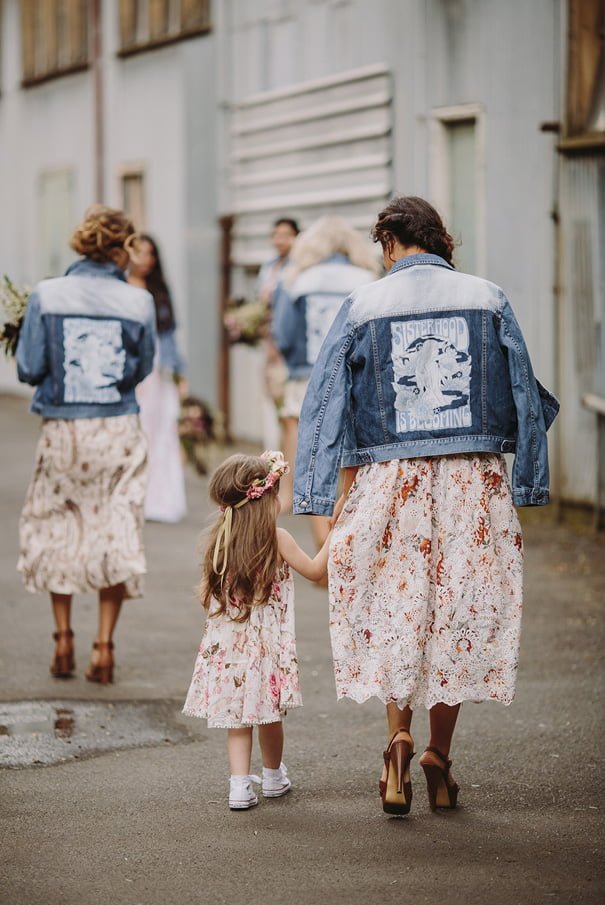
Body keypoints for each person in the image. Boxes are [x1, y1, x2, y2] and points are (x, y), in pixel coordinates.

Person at [293, 196, 559, 815]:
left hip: (393, 481)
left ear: (389, 242)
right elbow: (525, 390)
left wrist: (317, 494)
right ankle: (438, 755)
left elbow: (324, 401)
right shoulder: (487, 297)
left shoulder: (363, 304)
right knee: (456, 614)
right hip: (473, 482)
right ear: (440, 241)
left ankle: (397, 744)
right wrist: (528, 479)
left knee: (399, 607)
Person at [16, 205, 156, 685]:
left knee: (58, 526)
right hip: (117, 429)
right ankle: (104, 646)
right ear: (124, 248)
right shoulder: (138, 301)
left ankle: (62, 640)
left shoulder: (47, 294)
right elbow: (142, 367)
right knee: (114, 529)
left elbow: (29, 368)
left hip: (65, 431)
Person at [183, 451, 331, 810]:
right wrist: (335, 533)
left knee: (238, 719)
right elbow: (315, 571)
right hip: (265, 649)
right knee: (268, 715)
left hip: (228, 649)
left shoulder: (220, 539)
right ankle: (273, 776)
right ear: (266, 499)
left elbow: (205, 596)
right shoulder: (277, 538)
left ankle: (238, 787)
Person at [272, 216, 379, 545]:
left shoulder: (296, 280)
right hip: (357, 376)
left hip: (308, 374)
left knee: (314, 456)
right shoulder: (368, 281)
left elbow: (283, 334)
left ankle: (324, 542)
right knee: (352, 456)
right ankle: (349, 537)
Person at [128, 234, 187, 523]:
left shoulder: (159, 290)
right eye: (140, 252)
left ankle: (158, 499)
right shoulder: (119, 288)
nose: (145, 259)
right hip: (132, 366)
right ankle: (132, 496)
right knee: (135, 431)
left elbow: (168, 334)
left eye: (150, 253)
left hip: (158, 368)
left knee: (162, 431)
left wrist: (179, 373)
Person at [257, 218, 300, 449]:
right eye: (276, 235)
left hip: (287, 347)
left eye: (285, 235)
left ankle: (286, 452)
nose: (279, 240)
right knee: (270, 397)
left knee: (287, 405)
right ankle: (273, 450)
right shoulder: (269, 266)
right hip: (269, 342)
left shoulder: (298, 267)